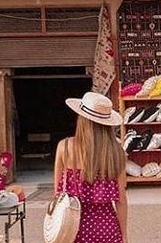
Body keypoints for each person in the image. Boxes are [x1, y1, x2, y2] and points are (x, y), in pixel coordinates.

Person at [54, 92, 128, 243]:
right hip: (107, 229)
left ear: (81, 119)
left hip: (73, 229)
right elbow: (121, 200)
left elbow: (57, 194)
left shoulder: (64, 147)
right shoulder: (115, 152)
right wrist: (124, 235)